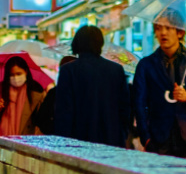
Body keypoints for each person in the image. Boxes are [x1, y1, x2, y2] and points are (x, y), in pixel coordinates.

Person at [52, 26, 131, 148]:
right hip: (111, 139)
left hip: (77, 142)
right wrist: (122, 134)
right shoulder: (116, 70)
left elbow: (64, 112)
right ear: (100, 43)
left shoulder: (68, 71)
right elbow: (125, 108)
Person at [132, 10, 186, 156]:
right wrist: (146, 138)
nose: (163, 33)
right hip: (158, 138)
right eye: (158, 28)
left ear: (180, 32)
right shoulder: (146, 65)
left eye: (168, 28)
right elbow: (139, 103)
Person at [0, 55, 48, 138]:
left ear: (26, 71)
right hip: (3, 141)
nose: (15, 78)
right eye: (12, 75)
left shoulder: (37, 93)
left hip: (27, 142)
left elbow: (43, 122)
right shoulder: (0, 91)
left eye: (19, 74)